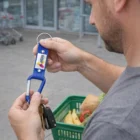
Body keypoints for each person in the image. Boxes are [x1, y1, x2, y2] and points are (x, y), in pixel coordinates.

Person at [8, 0, 140, 139]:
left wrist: (28, 136)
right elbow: (131, 86)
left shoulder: (112, 128)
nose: (91, 20)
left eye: (91, 5)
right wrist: (82, 62)